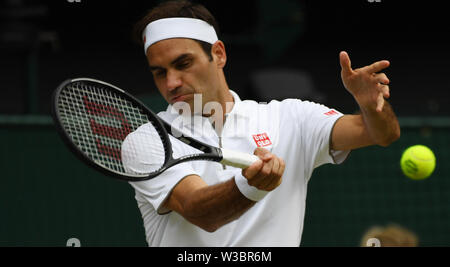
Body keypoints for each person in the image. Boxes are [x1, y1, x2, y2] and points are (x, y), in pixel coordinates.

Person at [122, 0, 400, 246]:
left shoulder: (291, 117)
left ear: (218, 54)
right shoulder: (146, 139)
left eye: (183, 64)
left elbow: (380, 134)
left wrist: (371, 105)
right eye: (160, 73)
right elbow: (199, 211)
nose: (171, 83)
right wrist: (251, 186)